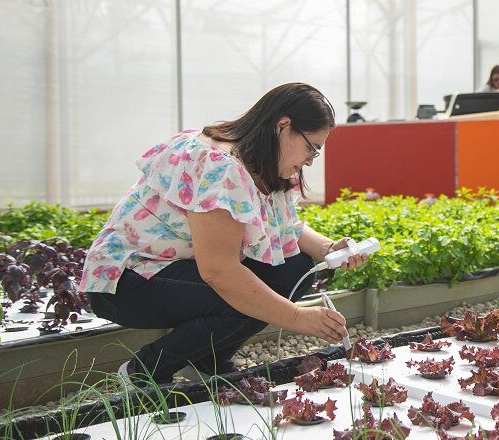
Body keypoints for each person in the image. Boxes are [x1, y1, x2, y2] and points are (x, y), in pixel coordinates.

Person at [81, 83, 367, 386]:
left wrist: (328, 248)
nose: (311, 159)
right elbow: (219, 271)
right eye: (312, 147)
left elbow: (288, 227)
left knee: (296, 269)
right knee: (243, 298)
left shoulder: (263, 164)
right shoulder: (219, 168)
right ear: (284, 125)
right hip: (127, 280)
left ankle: (204, 360)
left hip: (173, 270)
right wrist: (297, 317)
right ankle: (145, 372)